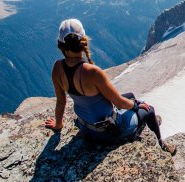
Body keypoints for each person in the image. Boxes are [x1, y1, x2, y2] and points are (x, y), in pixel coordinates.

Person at [43, 18, 176, 154]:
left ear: (61, 45)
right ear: (83, 41)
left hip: (85, 126)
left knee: (130, 96)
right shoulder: (92, 72)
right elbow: (118, 102)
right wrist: (136, 106)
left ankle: (139, 121)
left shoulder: (57, 67)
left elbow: (61, 101)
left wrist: (58, 125)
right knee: (150, 110)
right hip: (109, 130)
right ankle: (162, 146)